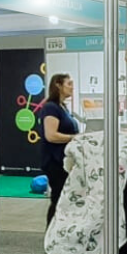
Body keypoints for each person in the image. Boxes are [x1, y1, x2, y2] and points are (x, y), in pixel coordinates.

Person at [40, 72, 80, 225]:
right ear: (58, 85)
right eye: (69, 84)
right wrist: (75, 137)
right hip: (54, 161)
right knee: (58, 197)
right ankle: (51, 233)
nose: (72, 87)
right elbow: (51, 135)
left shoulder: (62, 108)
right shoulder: (51, 108)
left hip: (64, 160)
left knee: (64, 197)